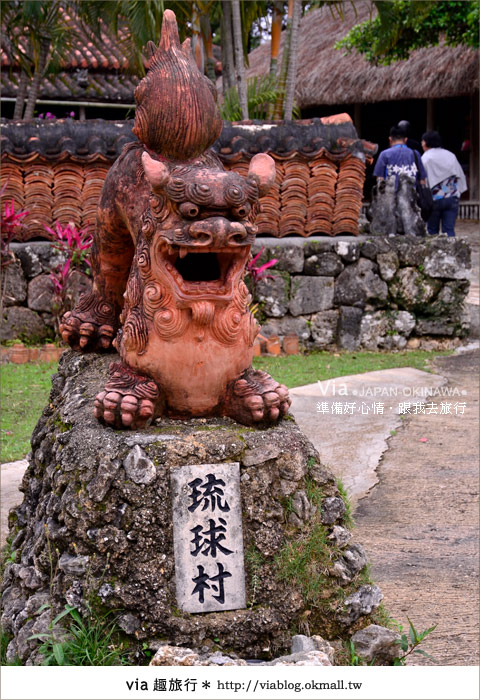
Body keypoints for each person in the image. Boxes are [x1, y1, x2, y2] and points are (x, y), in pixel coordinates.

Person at [421, 130, 467, 237]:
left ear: (427, 142)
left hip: (434, 198)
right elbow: (459, 175)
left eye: (422, 141)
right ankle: (450, 252)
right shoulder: (450, 155)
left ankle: (435, 253)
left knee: (432, 232)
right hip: (452, 197)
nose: (422, 144)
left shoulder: (426, 158)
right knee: (449, 230)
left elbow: (422, 179)